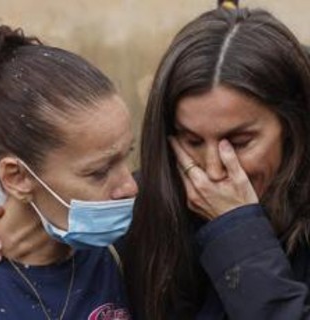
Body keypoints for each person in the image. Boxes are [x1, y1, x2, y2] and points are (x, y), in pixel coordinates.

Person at [123, 1, 310, 319]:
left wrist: (238, 233)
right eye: (192, 141)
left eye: (239, 143)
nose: (212, 169)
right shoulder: (137, 205)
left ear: (293, 129)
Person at [0, 23, 137, 319]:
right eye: (98, 172)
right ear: (18, 177)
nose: (131, 187)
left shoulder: (129, 253)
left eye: (127, 156)